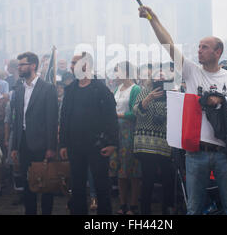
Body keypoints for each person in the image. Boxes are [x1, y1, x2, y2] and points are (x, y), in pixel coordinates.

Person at [138, 6, 227, 215]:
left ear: (218, 52)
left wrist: (221, 103)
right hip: (196, 152)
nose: (199, 50)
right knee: (194, 208)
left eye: (205, 47)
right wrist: (154, 19)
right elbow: (167, 44)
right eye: (198, 46)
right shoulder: (191, 71)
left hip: (225, 153)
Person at [59, 53, 118, 215]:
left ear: (86, 66)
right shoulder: (70, 90)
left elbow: (111, 119)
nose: (71, 66)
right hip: (74, 146)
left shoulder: (101, 89)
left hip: (98, 146)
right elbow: (64, 117)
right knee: (77, 186)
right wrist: (63, 143)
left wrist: (112, 143)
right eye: (71, 62)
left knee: (101, 186)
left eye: (74, 62)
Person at [11, 52, 59, 215]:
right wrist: (14, 146)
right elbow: (16, 120)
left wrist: (51, 147)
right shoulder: (18, 89)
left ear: (33, 66)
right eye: (18, 65)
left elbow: (52, 120)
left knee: (45, 183)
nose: (19, 68)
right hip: (23, 142)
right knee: (26, 183)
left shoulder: (48, 88)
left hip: (41, 143)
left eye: (22, 64)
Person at [133, 67, 175, 215]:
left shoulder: (172, 91)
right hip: (146, 141)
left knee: (168, 178)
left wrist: (174, 95)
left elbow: (177, 114)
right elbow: (136, 111)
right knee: (148, 178)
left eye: (164, 77)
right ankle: (145, 211)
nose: (160, 79)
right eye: (158, 77)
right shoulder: (146, 90)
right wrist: (149, 97)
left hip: (165, 142)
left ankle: (168, 209)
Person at [109, 61, 142, 215]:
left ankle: (133, 205)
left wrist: (119, 115)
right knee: (120, 170)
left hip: (130, 132)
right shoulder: (117, 89)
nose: (116, 75)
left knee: (133, 170)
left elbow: (136, 112)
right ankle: (122, 204)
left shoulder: (135, 89)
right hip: (116, 131)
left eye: (118, 71)